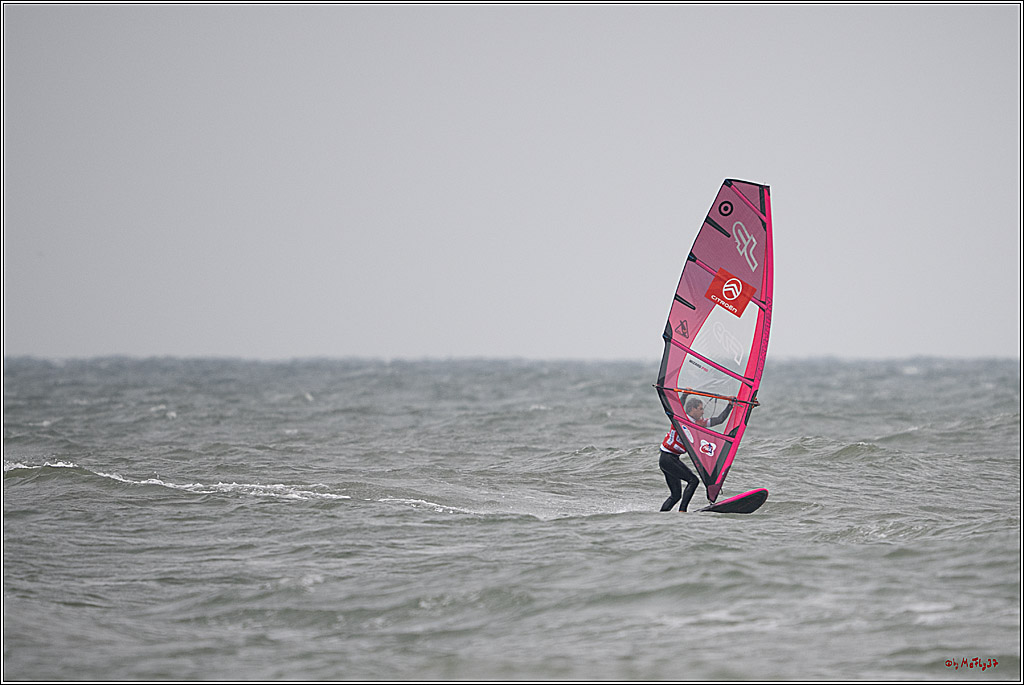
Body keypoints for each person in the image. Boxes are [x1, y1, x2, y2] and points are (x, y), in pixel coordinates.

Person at [658, 393, 733, 512]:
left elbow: (719, 420)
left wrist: (730, 405)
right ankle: (682, 511)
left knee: (676, 496)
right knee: (693, 481)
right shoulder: (680, 418)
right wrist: (684, 395)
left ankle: (661, 516)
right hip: (667, 458)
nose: (703, 412)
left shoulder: (699, 423)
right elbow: (677, 406)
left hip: (670, 459)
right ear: (692, 409)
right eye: (700, 409)